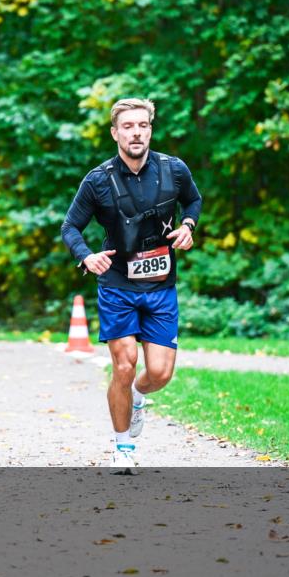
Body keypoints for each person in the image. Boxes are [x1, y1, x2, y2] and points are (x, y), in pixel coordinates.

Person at [61, 98, 202, 474]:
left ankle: (138, 395)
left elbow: (193, 201)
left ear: (150, 130)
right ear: (115, 133)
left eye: (142, 125)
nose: (135, 132)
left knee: (160, 373)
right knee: (124, 366)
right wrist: (87, 256)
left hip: (160, 284)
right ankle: (123, 446)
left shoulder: (174, 170)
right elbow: (70, 226)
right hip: (117, 283)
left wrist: (188, 226)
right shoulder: (97, 180)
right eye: (127, 126)